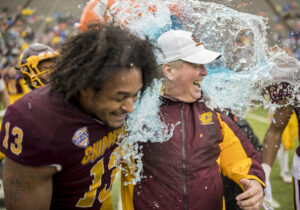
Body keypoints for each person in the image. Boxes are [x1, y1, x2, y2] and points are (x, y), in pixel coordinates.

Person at [0, 24, 158, 209]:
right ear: (85, 87)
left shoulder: (120, 101)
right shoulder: (37, 121)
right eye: (120, 97)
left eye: (134, 95)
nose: (130, 107)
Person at [121, 29, 265, 210]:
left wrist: (254, 183)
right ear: (169, 70)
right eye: (197, 64)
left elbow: (243, 158)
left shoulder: (212, 112)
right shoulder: (135, 113)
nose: (205, 72)